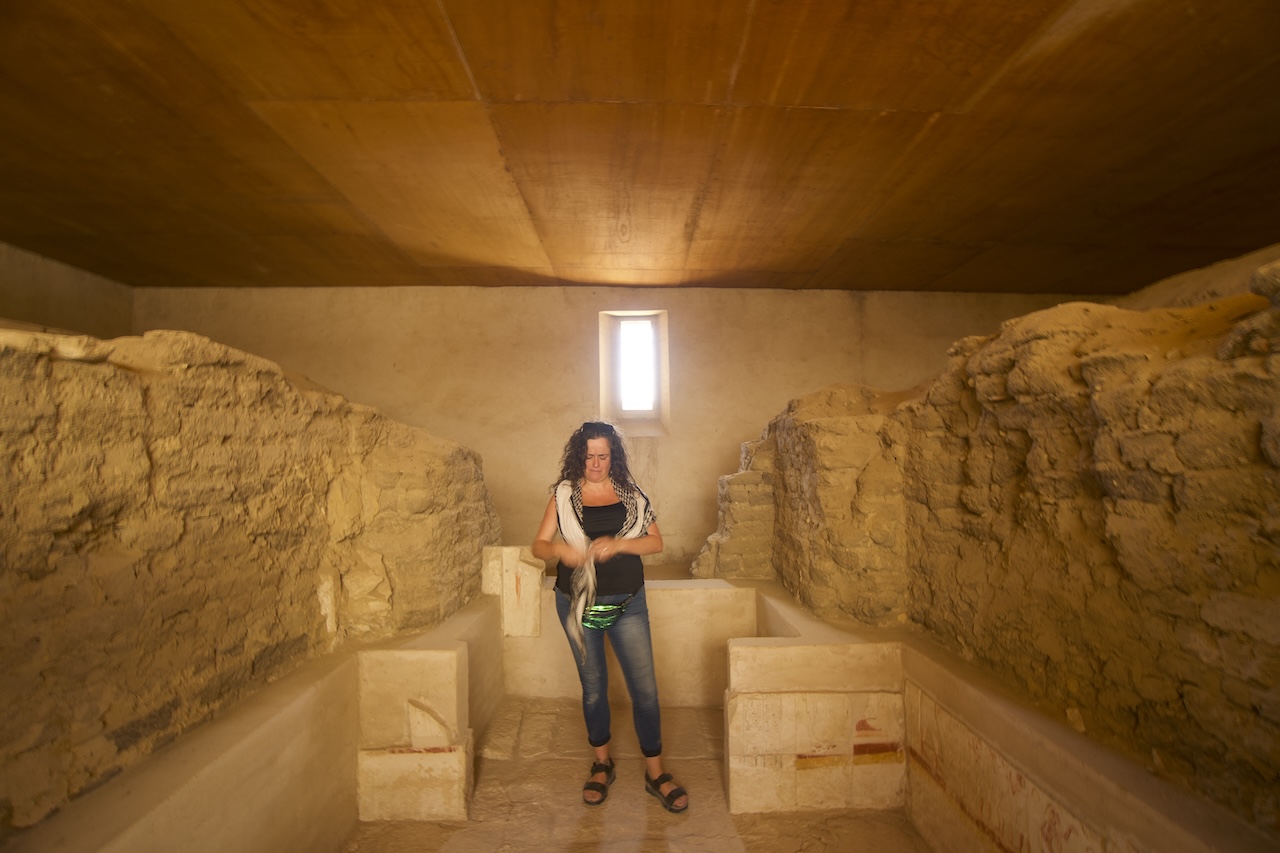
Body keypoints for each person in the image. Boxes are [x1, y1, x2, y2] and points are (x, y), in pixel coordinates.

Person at [531, 421, 689, 812]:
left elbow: (655, 543)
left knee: (645, 691)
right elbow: (539, 545)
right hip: (578, 603)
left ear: (612, 456)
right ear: (578, 456)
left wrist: (618, 544)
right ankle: (602, 765)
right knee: (594, 687)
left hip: (627, 602)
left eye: (603, 456)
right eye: (589, 456)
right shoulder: (563, 494)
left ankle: (656, 773)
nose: (596, 463)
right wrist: (559, 551)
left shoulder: (631, 494)